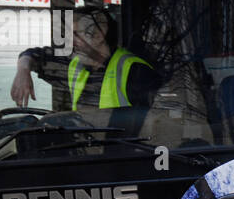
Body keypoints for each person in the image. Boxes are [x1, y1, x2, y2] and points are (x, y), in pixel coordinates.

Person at [10, 7, 157, 124]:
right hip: (86, 150)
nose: (70, 41)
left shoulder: (135, 71)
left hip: (121, 155)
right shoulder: (73, 63)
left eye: (76, 34)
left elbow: (150, 125)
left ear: (99, 35)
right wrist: (23, 70)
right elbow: (33, 54)